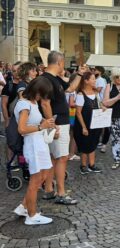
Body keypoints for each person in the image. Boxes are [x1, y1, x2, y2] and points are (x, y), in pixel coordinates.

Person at [39, 51, 82, 205]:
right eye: (63, 63)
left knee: (54, 158)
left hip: (59, 123)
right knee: (62, 158)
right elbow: (45, 103)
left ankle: (49, 190)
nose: (63, 65)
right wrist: (53, 125)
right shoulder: (45, 79)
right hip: (58, 124)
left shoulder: (55, 78)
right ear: (59, 62)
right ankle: (61, 193)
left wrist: (80, 74)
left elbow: (70, 89)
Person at [13, 78, 56, 225]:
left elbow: (35, 122)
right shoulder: (24, 104)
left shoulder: (32, 103)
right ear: (37, 91)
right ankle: (31, 215)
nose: (43, 98)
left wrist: (47, 124)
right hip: (33, 145)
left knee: (43, 175)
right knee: (35, 180)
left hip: (38, 143)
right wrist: (42, 126)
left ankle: (23, 207)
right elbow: (22, 129)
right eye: (42, 94)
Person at [73, 72, 103, 174]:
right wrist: (83, 127)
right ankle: (83, 165)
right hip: (85, 124)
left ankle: (92, 165)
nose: (95, 81)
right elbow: (78, 112)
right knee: (85, 145)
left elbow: (100, 105)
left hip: (96, 124)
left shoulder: (96, 93)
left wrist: (103, 109)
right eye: (93, 79)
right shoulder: (81, 94)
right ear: (86, 81)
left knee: (93, 144)